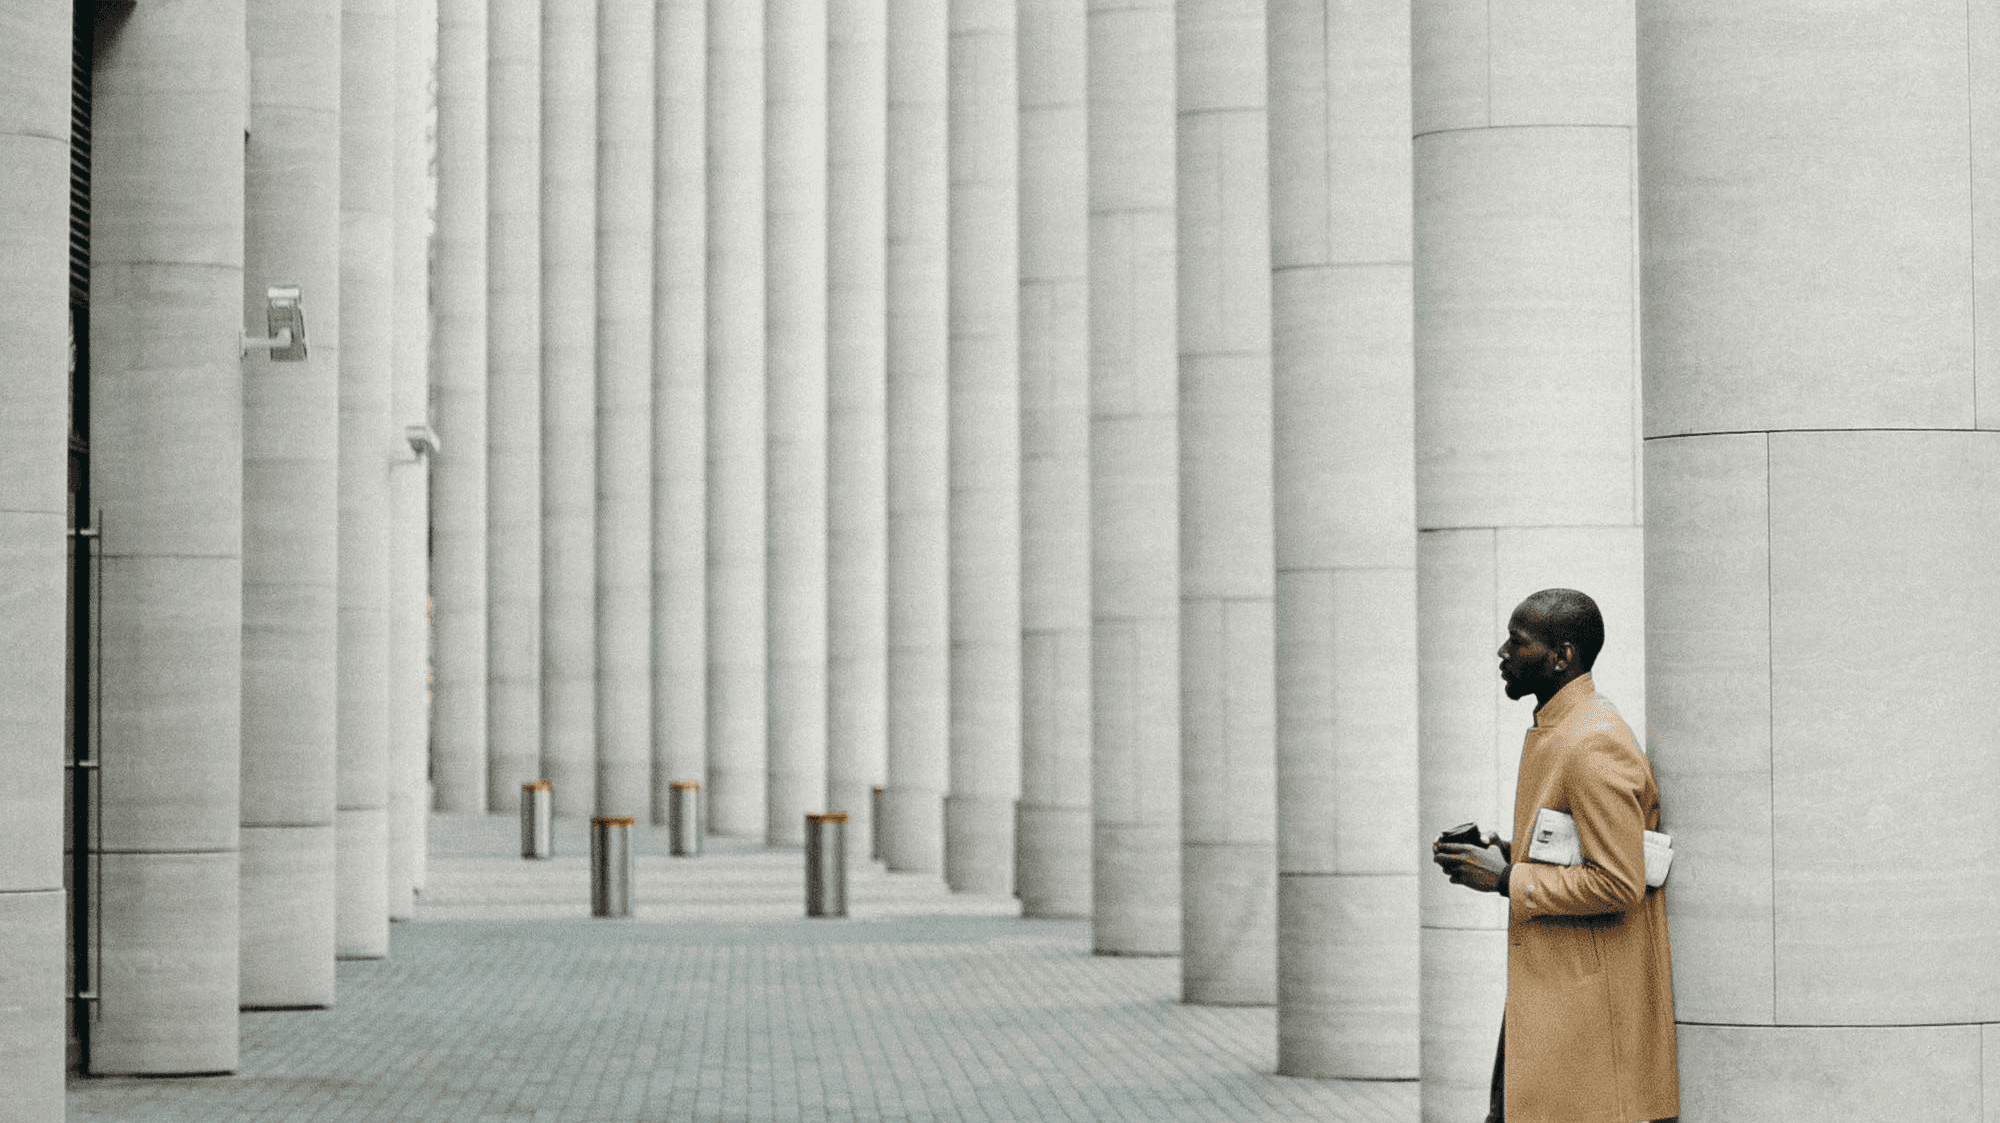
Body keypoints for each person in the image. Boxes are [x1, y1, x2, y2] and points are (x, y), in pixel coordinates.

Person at [1432, 588, 1678, 1123]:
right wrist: (1506, 854)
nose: (1503, 652)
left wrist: (1505, 879)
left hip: (1582, 1017)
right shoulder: (1567, 730)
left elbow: (1618, 883)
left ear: (1562, 656)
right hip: (1552, 1001)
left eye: (1518, 643)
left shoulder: (1589, 743)